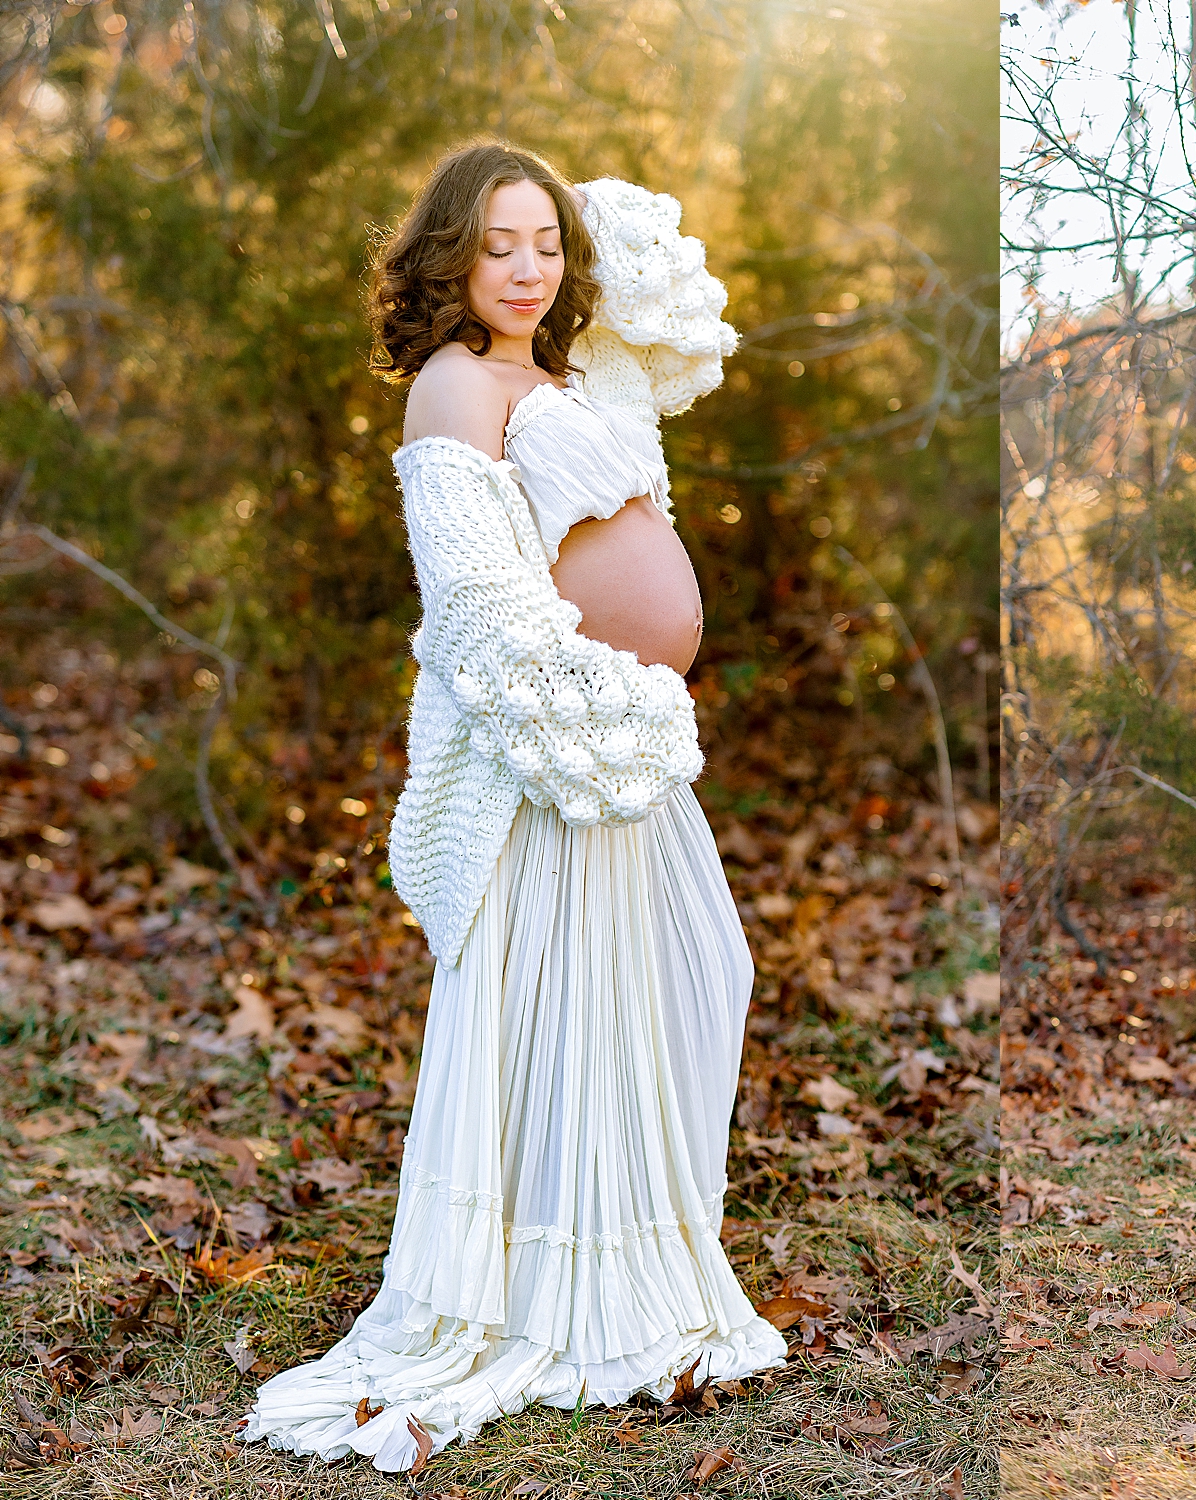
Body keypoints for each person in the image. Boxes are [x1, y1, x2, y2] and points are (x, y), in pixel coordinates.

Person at [240, 141, 786, 1472]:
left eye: (545, 240)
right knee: (553, 1012)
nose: (528, 267)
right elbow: (481, 615)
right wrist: (617, 718)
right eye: (496, 244)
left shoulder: (571, 375)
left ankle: (623, 1265)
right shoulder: (451, 389)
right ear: (449, 258)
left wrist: (577, 211)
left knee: (673, 987)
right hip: (553, 761)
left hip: (625, 767)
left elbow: (671, 305)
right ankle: (534, 1293)